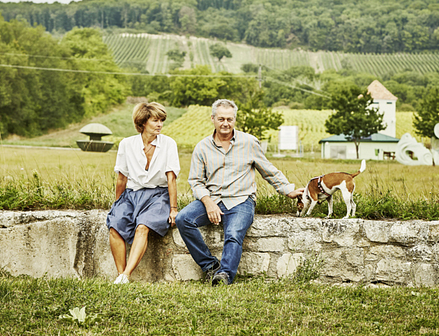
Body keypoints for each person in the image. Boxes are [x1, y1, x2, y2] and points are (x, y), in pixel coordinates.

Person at [176, 99, 304, 285]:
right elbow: (196, 182)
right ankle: (210, 266)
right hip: (212, 199)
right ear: (213, 119)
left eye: (229, 119)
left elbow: (268, 170)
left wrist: (288, 190)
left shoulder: (249, 142)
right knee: (183, 219)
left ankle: (225, 275)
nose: (225, 123)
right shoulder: (202, 147)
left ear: (235, 119)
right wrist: (208, 203)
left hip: (241, 200)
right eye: (221, 119)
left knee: (233, 233)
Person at [107, 102, 180, 284]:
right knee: (115, 226)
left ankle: (126, 275)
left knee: (143, 227)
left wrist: (173, 208)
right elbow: (122, 178)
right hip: (132, 194)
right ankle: (120, 275)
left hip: (158, 195)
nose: (160, 124)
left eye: (161, 120)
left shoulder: (169, 144)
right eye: (155, 120)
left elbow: (171, 178)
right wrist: (118, 203)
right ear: (143, 122)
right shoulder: (127, 144)